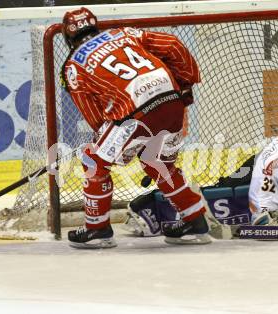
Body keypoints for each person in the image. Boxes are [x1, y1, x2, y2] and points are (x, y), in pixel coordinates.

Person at [61, 7, 211, 248]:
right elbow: (172, 44)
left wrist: (104, 137)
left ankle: (97, 229)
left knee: (94, 161)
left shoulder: (73, 66)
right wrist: (185, 83)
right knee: (157, 163)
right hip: (172, 101)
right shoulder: (122, 34)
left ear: (68, 36)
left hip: (135, 113)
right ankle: (195, 221)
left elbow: (93, 114)